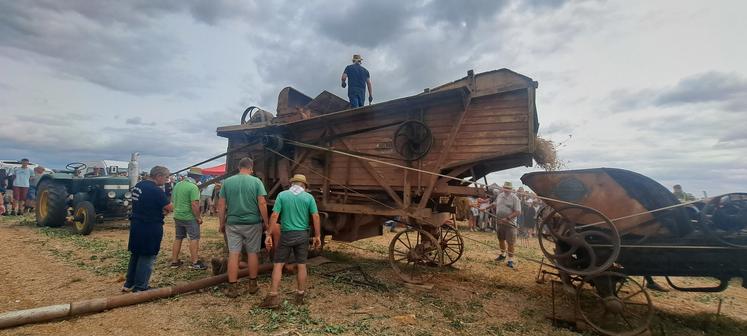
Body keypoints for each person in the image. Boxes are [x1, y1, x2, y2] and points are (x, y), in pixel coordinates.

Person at [259, 174, 321, 308]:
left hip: (287, 235)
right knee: (301, 265)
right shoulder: (308, 197)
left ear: (293, 184)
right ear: (304, 185)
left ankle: (273, 296)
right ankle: (300, 295)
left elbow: (275, 215)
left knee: (278, 265)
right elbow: (315, 216)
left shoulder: (282, 195)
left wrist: (268, 234)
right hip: (303, 235)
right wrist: (317, 235)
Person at [217, 158, 270, 298]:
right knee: (253, 253)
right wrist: (267, 222)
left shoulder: (227, 182)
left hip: (233, 223)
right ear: (251, 168)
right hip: (253, 223)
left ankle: (232, 288)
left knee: (234, 254)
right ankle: (253, 286)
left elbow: (221, 205)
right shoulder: (256, 182)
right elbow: (262, 203)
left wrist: (221, 223)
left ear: (238, 167)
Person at [123, 166, 173, 292]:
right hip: (150, 225)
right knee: (148, 255)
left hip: (136, 224)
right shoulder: (155, 190)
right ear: (158, 176)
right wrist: (164, 210)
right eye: (166, 177)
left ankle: (129, 283)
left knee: (136, 253)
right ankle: (140, 286)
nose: (167, 180)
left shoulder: (139, 185)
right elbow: (169, 207)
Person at [169, 169, 207, 270]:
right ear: (197, 177)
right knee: (194, 238)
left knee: (178, 238)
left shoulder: (178, 185)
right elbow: (194, 204)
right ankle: (195, 262)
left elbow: (173, 200)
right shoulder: (193, 187)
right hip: (189, 217)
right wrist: (198, 217)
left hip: (178, 215)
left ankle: (174, 261)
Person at [493, 182, 521, 268]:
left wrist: (507, 218)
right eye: (505, 188)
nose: (506, 190)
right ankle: (503, 254)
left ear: (511, 189)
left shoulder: (515, 198)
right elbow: (494, 204)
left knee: (510, 243)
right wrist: (485, 207)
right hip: (500, 222)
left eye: (508, 188)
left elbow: (518, 212)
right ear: (503, 188)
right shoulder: (500, 195)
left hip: (510, 224)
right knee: (501, 239)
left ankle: (510, 260)